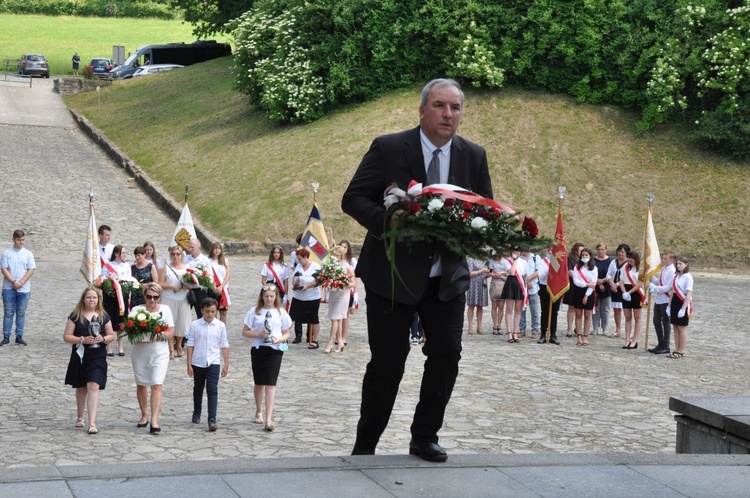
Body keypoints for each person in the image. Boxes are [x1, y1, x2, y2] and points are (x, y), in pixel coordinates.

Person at [341, 78, 492, 462]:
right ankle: (366, 444)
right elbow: (353, 198)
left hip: (447, 281)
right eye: (440, 106)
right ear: (422, 110)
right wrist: (390, 223)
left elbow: (484, 210)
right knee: (387, 365)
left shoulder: (473, 155)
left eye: (455, 108)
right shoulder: (390, 148)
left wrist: (482, 233)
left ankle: (424, 436)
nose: (448, 114)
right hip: (391, 279)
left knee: (446, 356)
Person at [63, 287, 114, 434]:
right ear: (83, 299)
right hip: (80, 355)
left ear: (98, 300)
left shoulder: (104, 316)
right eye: (89, 297)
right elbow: (67, 336)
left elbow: (111, 335)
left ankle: (92, 423)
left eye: (94, 297)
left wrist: (103, 339)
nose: (92, 300)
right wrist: (82, 339)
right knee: (81, 387)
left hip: (98, 355)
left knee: (93, 385)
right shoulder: (76, 316)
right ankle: (80, 417)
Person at [242, 284, 292, 431]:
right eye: (266, 296)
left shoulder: (281, 312)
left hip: (274, 350)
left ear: (276, 297)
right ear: (262, 297)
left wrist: (280, 339)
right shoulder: (254, 312)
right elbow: (245, 331)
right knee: (259, 383)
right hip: (259, 349)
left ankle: (269, 418)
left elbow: (287, 332)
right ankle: (259, 411)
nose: (269, 299)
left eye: (271, 296)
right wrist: (258, 334)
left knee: (271, 383)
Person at [130, 283, 174, 433]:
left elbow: (170, 331)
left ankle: (154, 419)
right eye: (149, 297)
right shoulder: (137, 310)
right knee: (141, 384)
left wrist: (157, 336)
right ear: (144, 296)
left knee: (157, 384)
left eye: (155, 297)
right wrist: (138, 336)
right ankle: (144, 415)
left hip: (159, 353)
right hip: (140, 352)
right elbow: (130, 330)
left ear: (159, 297)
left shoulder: (165, 310)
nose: (152, 300)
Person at [187, 297, 229, 431]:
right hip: (198, 361)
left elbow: (224, 344)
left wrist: (226, 363)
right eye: (207, 311)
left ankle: (212, 418)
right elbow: (190, 345)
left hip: (213, 361)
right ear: (202, 311)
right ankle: (197, 411)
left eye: (212, 311)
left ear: (216, 311)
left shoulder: (220, 326)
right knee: (198, 388)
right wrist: (189, 364)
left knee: (212, 389)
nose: (210, 314)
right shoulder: (195, 325)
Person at [1, 229, 36, 346]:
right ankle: (6, 336)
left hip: (24, 288)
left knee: (21, 312)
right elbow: (4, 269)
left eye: (23, 240)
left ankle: (19, 335)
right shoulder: (7, 253)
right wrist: (13, 282)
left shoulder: (28, 254)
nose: (21, 242)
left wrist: (21, 282)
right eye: (19, 240)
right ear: (13, 239)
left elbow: (31, 269)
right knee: (8, 312)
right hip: (9, 288)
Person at [159, 246, 191, 359]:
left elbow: (192, 284)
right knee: (169, 324)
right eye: (173, 254)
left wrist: (185, 286)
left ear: (181, 255)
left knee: (181, 324)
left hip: (183, 298)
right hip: (169, 298)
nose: (175, 256)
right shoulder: (166, 268)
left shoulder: (187, 268)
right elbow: (160, 284)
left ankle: (179, 345)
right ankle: (170, 349)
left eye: (178, 254)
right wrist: (171, 286)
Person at [101, 244, 132, 356]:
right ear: (116, 254)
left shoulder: (126, 266)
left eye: (125, 253)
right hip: (110, 297)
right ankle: (109, 346)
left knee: (121, 320)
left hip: (122, 296)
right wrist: (110, 279)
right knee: (109, 319)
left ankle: (120, 346)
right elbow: (103, 279)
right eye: (122, 253)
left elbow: (129, 279)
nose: (124, 255)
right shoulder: (108, 266)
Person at [323, 246, 355, 353]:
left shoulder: (347, 267)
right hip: (333, 293)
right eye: (332, 255)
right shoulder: (331, 267)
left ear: (341, 255)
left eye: (336, 255)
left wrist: (342, 283)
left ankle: (330, 342)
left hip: (343, 295)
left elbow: (353, 283)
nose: (334, 257)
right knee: (337, 318)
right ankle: (340, 341)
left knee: (335, 318)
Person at [288, 248, 321, 347]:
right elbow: (294, 279)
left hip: (312, 297)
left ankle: (315, 340)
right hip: (299, 297)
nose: (299, 261)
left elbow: (319, 280)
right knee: (292, 317)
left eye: (300, 258)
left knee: (313, 318)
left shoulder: (315, 266)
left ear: (306, 257)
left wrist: (308, 286)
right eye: (298, 259)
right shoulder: (298, 266)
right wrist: (296, 284)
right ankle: (285, 336)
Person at [648, 251, 676, 354]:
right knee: (656, 321)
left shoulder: (672, 271)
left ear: (672, 260)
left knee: (665, 322)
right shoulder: (664, 269)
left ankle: (666, 345)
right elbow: (659, 282)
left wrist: (654, 288)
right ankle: (660, 343)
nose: (663, 260)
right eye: (663, 258)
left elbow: (668, 287)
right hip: (659, 299)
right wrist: (652, 277)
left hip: (666, 300)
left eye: (665, 258)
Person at [666, 256, 693, 359]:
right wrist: (668, 306)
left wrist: (683, 308)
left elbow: (689, 294)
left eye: (680, 264)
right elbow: (673, 292)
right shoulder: (676, 276)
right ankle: (676, 349)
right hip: (675, 302)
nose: (678, 265)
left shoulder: (688, 277)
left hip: (683, 303)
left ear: (686, 264)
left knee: (682, 327)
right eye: (677, 264)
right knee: (675, 327)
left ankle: (681, 350)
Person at [571, 248, 598, 346]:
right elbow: (576, 281)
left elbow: (593, 283)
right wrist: (587, 284)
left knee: (587, 315)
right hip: (578, 291)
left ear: (590, 256)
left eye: (586, 255)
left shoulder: (594, 268)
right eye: (583, 255)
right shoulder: (577, 267)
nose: (585, 257)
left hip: (589, 293)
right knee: (578, 314)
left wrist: (586, 295)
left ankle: (585, 336)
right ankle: (579, 336)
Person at [619, 251, 645, 350]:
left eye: (631, 261)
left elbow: (640, 283)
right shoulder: (625, 266)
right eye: (628, 260)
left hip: (636, 293)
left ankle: (634, 340)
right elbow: (620, 280)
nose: (630, 262)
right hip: (625, 291)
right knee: (627, 317)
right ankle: (627, 340)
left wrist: (629, 293)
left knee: (637, 318)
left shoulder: (640, 268)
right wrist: (624, 292)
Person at [500, 248, 528, 343]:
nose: (516, 254)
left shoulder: (523, 262)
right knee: (509, 310)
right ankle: (509, 333)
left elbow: (524, 274)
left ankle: (515, 332)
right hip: (511, 282)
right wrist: (515, 261)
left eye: (517, 252)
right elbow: (512, 272)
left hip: (520, 284)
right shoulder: (507, 261)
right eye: (514, 252)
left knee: (518, 310)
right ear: (511, 252)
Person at [536, 246, 561, 345]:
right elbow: (541, 276)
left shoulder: (558, 262)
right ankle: (543, 334)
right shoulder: (542, 262)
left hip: (555, 287)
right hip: (545, 287)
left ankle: (553, 335)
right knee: (545, 311)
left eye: (552, 250)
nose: (551, 252)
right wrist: (549, 269)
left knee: (554, 312)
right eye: (549, 250)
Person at [606, 243, 631, 338]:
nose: (620, 254)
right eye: (619, 251)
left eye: (623, 252)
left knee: (627, 310)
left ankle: (629, 330)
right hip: (614, 289)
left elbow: (626, 277)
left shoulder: (628, 263)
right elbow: (609, 274)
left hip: (624, 288)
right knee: (616, 310)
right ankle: (618, 329)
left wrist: (616, 284)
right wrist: (612, 283)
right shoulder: (613, 262)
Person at [185, 238, 212, 320]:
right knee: (184, 314)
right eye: (189, 247)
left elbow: (210, 277)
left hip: (200, 290)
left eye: (192, 247)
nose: (190, 249)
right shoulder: (185, 258)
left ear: (199, 248)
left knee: (201, 314)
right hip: (187, 289)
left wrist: (200, 279)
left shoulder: (205, 260)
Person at [339, 239, 359, 346]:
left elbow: (355, 279)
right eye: (341, 247)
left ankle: (343, 337)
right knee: (337, 314)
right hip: (338, 289)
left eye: (345, 247)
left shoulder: (352, 261)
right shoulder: (335, 260)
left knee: (345, 314)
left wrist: (356, 293)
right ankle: (338, 336)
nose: (343, 249)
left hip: (348, 290)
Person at [519, 249, 541, 339]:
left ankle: (535, 330)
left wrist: (529, 279)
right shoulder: (520, 259)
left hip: (534, 287)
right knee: (521, 310)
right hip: (522, 286)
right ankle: (521, 330)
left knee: (534, 310)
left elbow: (538, 271)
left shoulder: (536, 257)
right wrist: (526, 281)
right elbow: (519, 271)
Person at [592, 243, 613, 336]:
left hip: (607, 286)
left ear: (606, 250)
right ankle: (595, 328)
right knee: (595, 308)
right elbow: (590, 272)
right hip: (594, 286)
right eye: (599, 249)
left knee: (606, 309)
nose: (600, 251)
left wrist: (603, 281)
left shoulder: (610, 261)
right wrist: (598, 282)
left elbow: (611, 273)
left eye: (602, 249)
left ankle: (605, 329)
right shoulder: (593, 260)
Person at [563, 242, 584, 338]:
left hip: (583, 286)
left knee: (580, 308)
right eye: (580, 250)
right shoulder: (570, 259)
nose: (582, 252)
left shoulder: (584, 260)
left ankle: (578, 328)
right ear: (576, 250)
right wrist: (581, 277)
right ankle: (569, 328)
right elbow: (570, 272)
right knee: (571, 307)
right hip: (572, 286)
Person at [465, 257, 490, 335]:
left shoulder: (486, 261)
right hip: (473, 284)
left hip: (482, 284)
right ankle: (470, 327)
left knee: (480, 306)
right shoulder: (471, 260)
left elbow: (487, 274)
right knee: (471, 305)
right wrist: (482, 271)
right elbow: (469, 273)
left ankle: (479, 326)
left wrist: (488, 273)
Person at [208, 242, 231, 324]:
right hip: (213, 289)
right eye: (215, 248)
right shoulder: (208, 261)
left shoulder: (225, 261)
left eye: (219, 248)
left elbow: (228, 275)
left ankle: (222, 332)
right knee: (214, 312)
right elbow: (207, 275)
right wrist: (213, 286)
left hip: (223, 289)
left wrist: (221, 286)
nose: (217, 250)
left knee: (223, 312)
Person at [261, 245, 289, 310]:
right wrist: (268, 289)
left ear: (281, 254)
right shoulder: (267, 265)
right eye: (275, 252)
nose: (276, 254)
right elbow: (263, 280)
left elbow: (286, 281)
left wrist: (286, 295)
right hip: (269, 286)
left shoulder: (284, 265)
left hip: (280, 289)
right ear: (272, 253)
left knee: (278, 307)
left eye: (278, 252)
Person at [488, 251, 508, 335]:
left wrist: (501, 273)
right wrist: (494, 274)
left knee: (501, 306)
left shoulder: (505, 261)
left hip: (503, 284)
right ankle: (494, 325)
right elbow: (489, 272)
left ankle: (499, 325)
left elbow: (508, 272)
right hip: (494, 284)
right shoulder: (491, 261)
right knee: (494, 306)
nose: (496, 257)